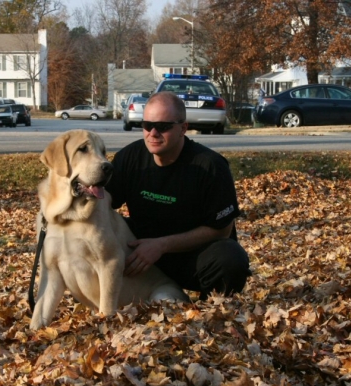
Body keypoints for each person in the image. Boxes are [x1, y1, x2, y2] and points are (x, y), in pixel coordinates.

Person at [105, 91, 251, 299]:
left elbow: (221, 230)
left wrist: (161, 245)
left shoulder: (210, 166)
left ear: (183, 128)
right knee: (97, 233)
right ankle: (108, 297)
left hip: (191, 257)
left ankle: (211, 312)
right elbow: (103, 201)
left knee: (230, 257)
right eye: (147, 125)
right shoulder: (129, 158)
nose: (153, 133)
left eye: (163, 127)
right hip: (141, 253)